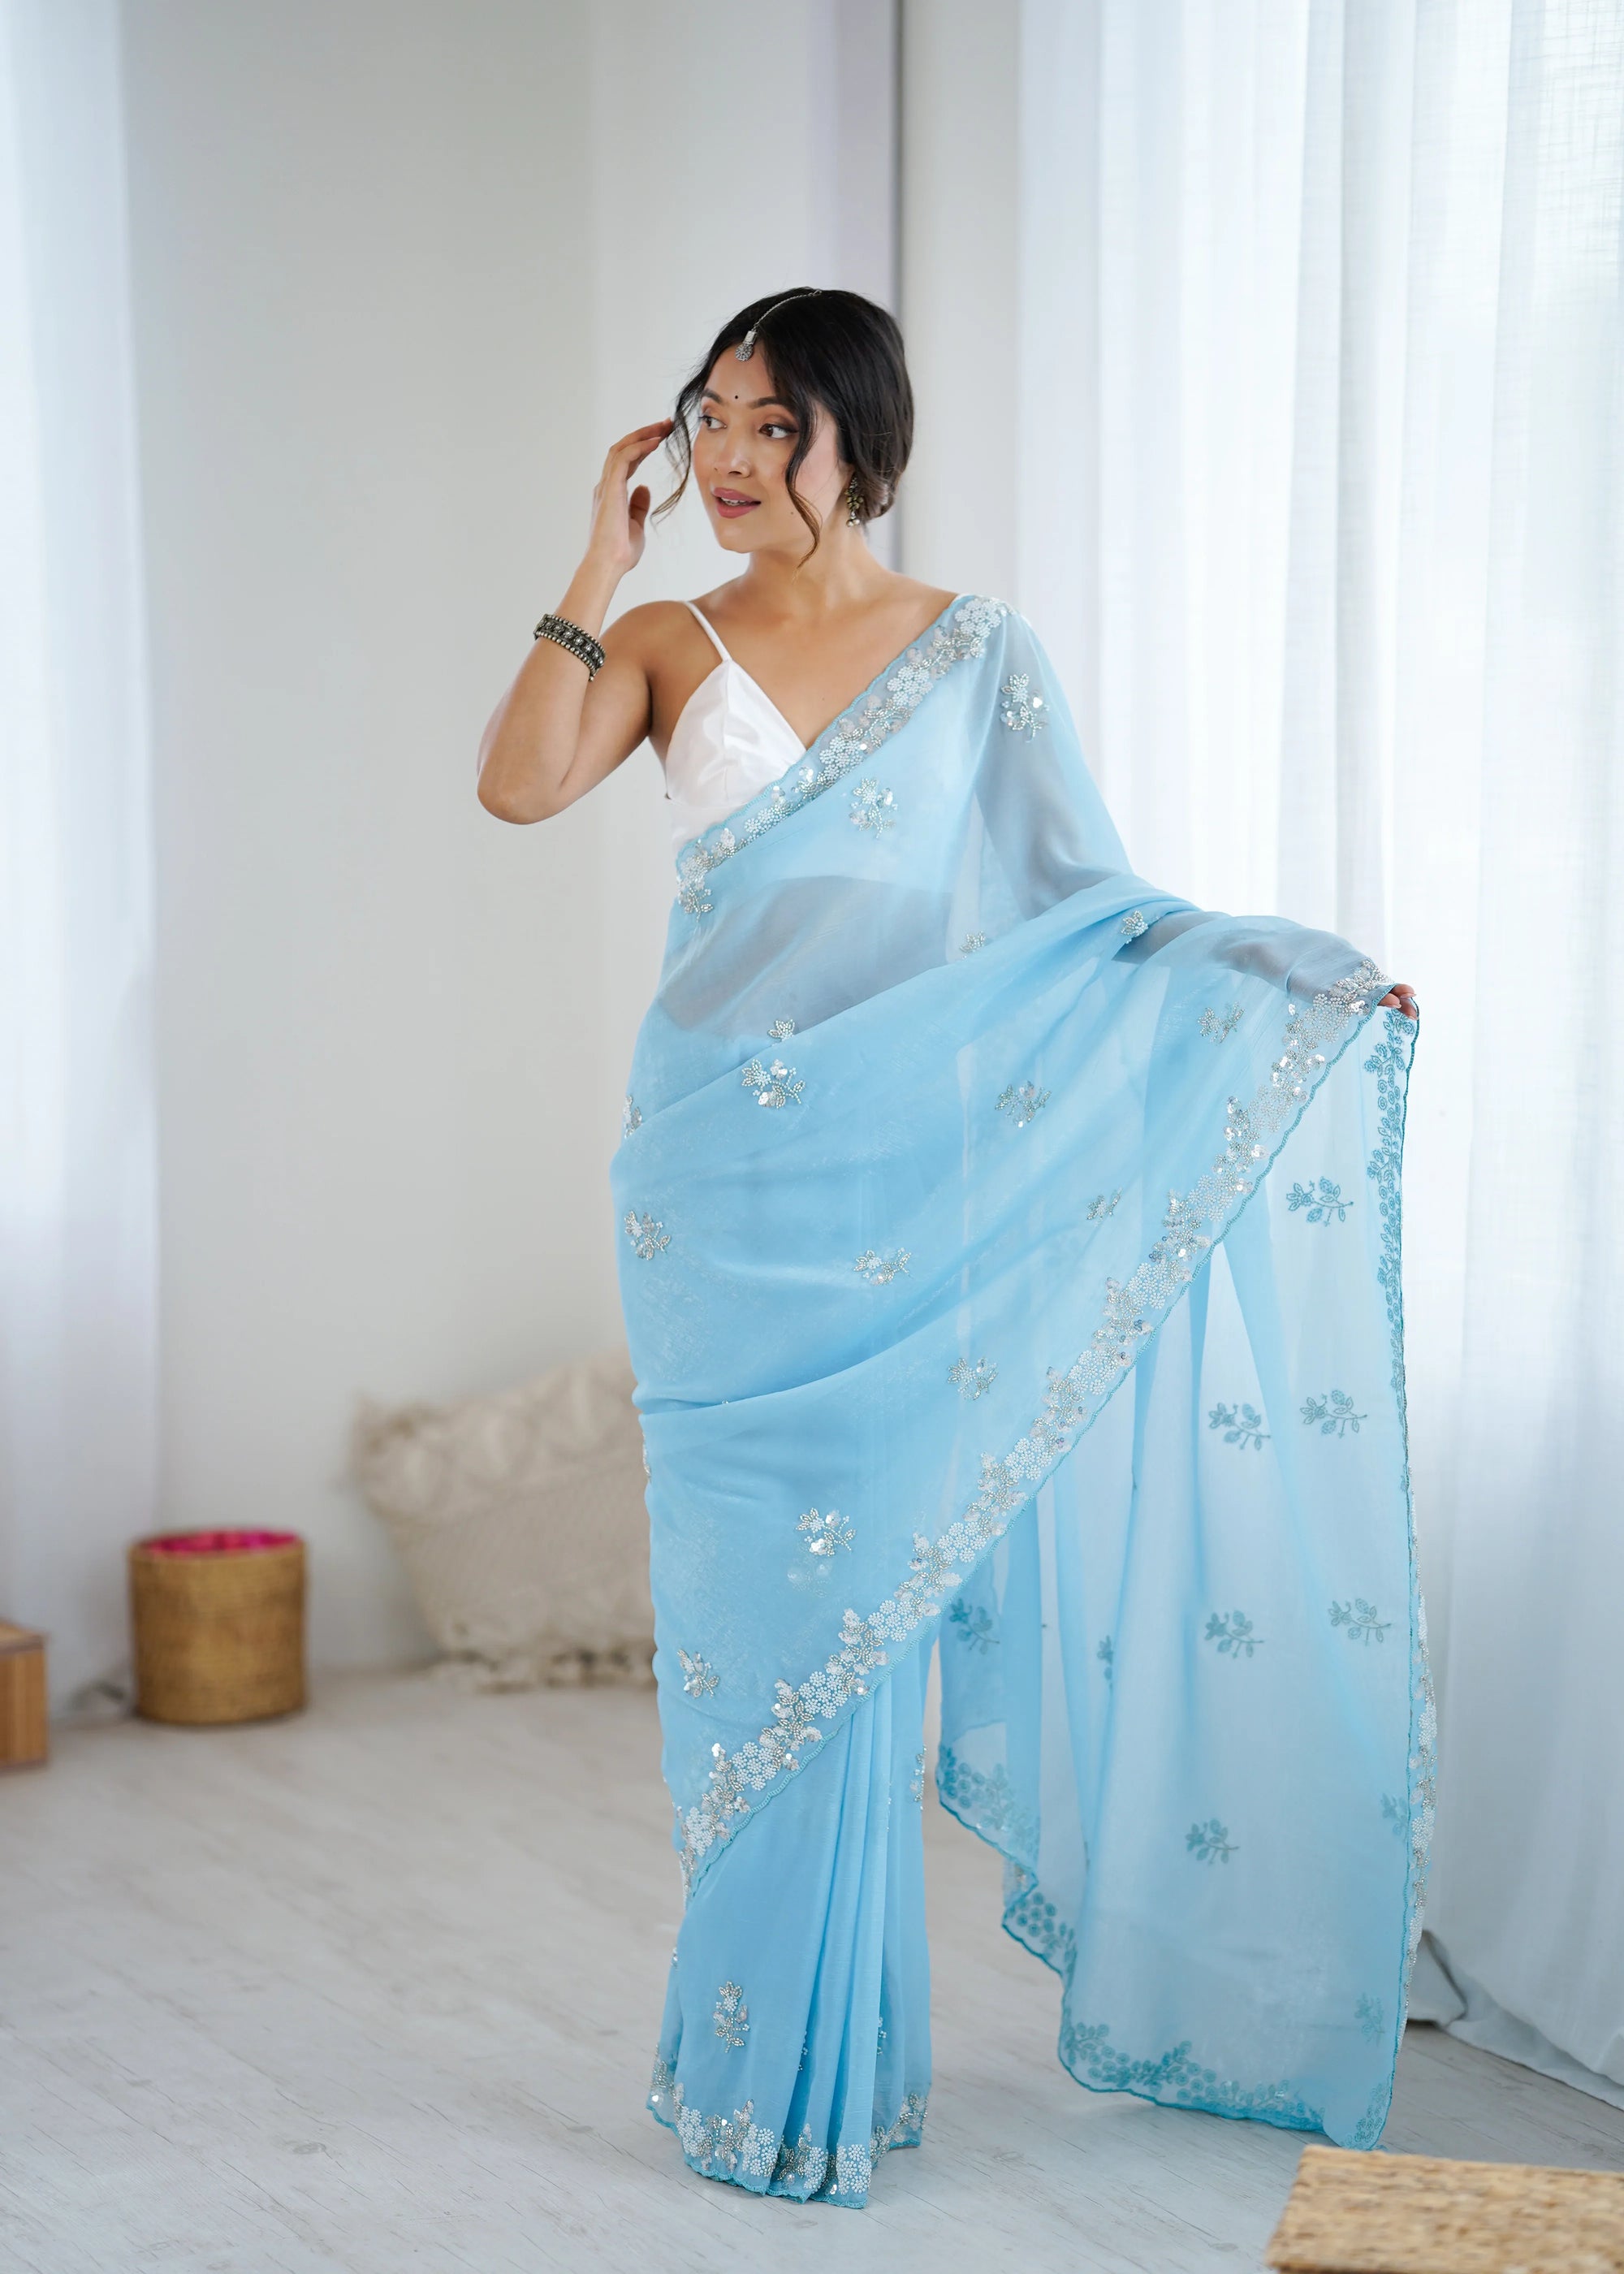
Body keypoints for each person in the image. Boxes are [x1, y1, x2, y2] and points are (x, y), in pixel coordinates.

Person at [477, 287, 1427, 2209]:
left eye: (774, 425)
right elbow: (516, 783)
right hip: (718, 1199)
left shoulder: (975, 651)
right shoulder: (665, 638)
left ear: (864, 445)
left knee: (869, 1612)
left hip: (905, 1200)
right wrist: (596, 559)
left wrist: (1291, 972)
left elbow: (1089, 905)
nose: (730, 458)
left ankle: (818, 2074)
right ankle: (768, 2065)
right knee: (755, 1631)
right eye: (709, 418)